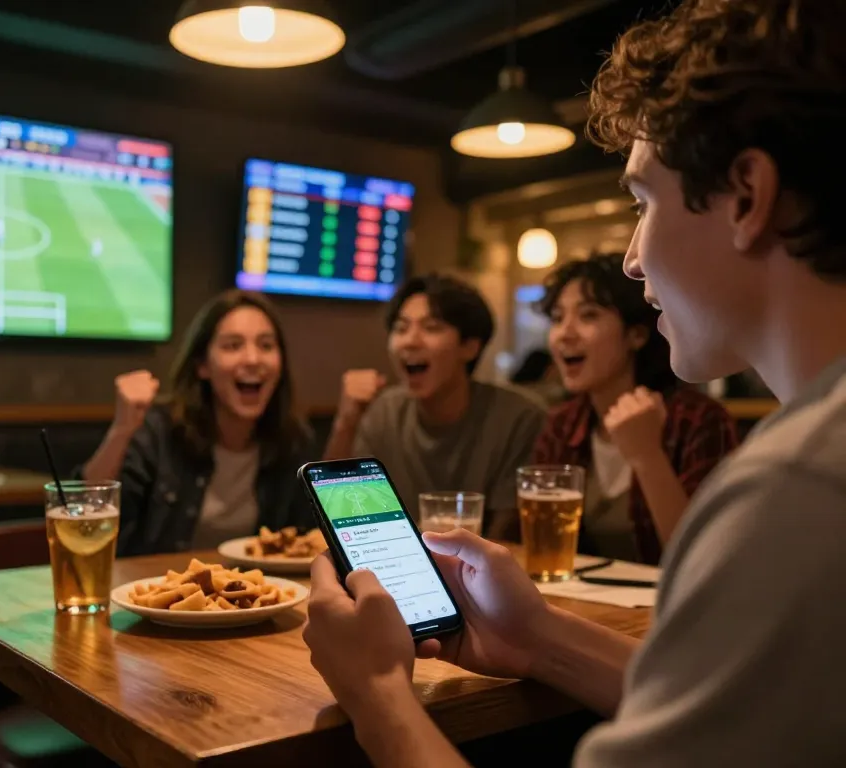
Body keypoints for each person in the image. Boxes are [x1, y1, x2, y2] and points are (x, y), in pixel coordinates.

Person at [303, 1, 846, 765]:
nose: (631, 258)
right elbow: (739, 714)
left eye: (642, 201)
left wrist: (376, 693)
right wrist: (539, 638)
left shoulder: (798, 487)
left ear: (747, 197)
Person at [535, 253, 738, 563]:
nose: (565, 333)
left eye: (588, 315)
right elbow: (544, 548)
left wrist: (647, 456)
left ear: (636, 334)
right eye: (558, 318)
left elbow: (702, 558)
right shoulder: (563, 423)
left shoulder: (698, 420)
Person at [80, 290, 314, 555]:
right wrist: (121, 430)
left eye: (266, 345)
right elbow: (87, 520)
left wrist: (346, 423)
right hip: (157, 590)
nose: (253, 359)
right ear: (202, 365)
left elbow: (309, 539)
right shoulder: (158, 432)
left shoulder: (292, 440)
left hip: (256, 593)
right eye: (233, 345)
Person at [323, 274, 545, 538]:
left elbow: (506, 537)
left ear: (470, 347)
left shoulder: (518, 417)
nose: (410, 341)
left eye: (431, 327)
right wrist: (346, 423)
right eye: (401, 328)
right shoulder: (384, 412)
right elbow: (340, 512)